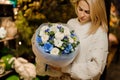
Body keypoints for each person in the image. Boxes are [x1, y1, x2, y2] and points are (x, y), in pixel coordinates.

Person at [32, 0, 108, 80]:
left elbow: (95, 68)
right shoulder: (71, 23)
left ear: (96, 11)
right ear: (77, 5)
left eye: (87, 12)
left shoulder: (99, 32)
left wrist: (66, 68)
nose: (82, 15)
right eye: (80, 9)